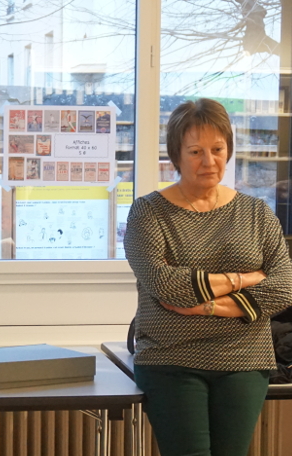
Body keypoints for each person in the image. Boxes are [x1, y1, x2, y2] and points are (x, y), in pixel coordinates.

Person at [124, 98, 292, 456]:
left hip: (244, 361)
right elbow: (165, 284)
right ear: (176, 154)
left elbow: (283, 287)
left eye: (217, 149)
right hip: (171, 359)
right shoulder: (148, 213)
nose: (209, 161)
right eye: (196, 151)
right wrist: (243, 278)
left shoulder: (257, 213)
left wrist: (205, 307)